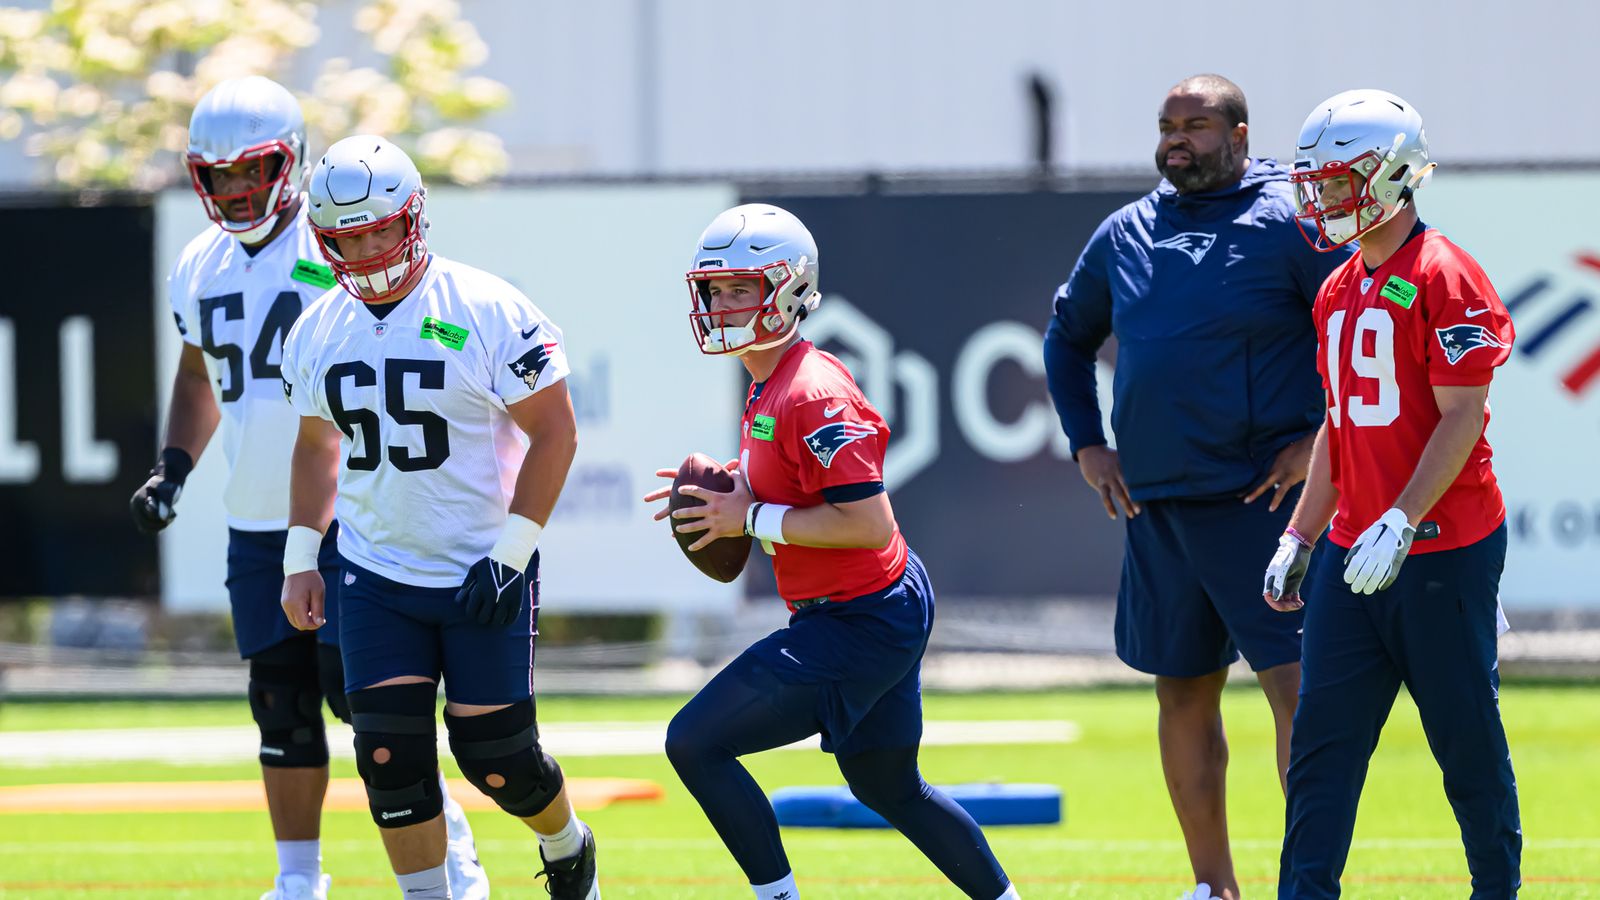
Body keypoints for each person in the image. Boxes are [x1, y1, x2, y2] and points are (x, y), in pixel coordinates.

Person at [129, 77, 486, 900]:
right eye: (218, 176)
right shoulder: (198, 263)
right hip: (254, 517)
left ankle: (449, 846)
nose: (236, 191)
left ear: (290, 161)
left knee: (361, 703)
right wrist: (173, 466)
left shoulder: (334, 248)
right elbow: (198, 374)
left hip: (343, 514)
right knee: (279, 706)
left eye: (251, 170)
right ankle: (297, 881)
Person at [646, 203, 1020, 900]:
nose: (722, 305)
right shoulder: (770, 376)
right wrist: (737, 483)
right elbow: (799, 482)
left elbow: (867, 523)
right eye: (715, 290)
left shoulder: (812, 392)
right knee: (888, 786)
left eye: (741, 289)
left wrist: (748, 516)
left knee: (694, 741)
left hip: (860, 615)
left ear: (788, 290)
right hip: (868, 604)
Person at [1042, 73, 1352, 900]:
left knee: (1297, 693)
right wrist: (1086, 443)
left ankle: (1308, 886)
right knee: (1181, 693)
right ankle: (1213, 887)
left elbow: (1363, 330)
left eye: (1198, 125)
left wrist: (1322, 439)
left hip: (1265, 509)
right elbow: (1067, 340)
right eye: (1167, 125)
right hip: (1158, 511)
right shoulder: (1126, 232)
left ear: (1242, 135)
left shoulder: (1294, 221)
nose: (1177, 138)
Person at [278, 134, 598, 900]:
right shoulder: (319, 327)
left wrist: (514, 550)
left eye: (379, 229)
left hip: (480, 564)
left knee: (497, 756)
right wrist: (299, 556)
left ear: (413, 218)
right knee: (389, 759)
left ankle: (567, 842)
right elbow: (316, 446)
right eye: (346, 237)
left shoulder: (485, 308)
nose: (365, 249)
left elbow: (556, 431)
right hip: (376, 571)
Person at [1264, 88, 1520, 899]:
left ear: (1393, 176)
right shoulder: (1337, 288)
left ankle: (1497, 891)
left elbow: (1462, 415)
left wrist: (1403, 520)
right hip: (1351, 551)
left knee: (1464, 741)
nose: (1322, 200)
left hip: (1443, 548)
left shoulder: (1445, 274)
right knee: (1321, 752)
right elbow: (1339, 426)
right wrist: (1301, 536)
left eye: (1337, 182)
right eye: (1317, 184)